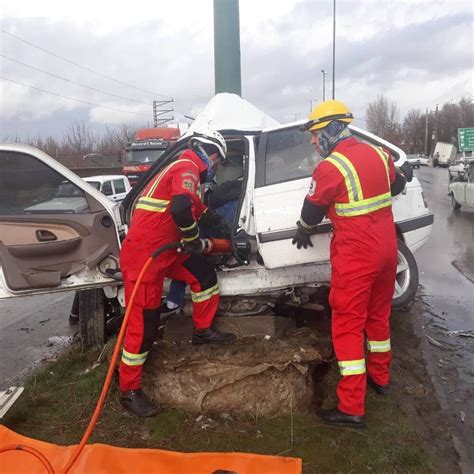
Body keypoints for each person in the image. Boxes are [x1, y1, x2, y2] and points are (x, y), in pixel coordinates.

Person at [293, 99, 410, 427]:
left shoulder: (331, 167)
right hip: (387, 251)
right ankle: (380, 379)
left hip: (356, 258)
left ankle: (352, 407)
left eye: (315, 134)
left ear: (331, 128)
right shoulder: (376, 152)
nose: (314, 141)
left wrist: (304, 229)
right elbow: (398, 184)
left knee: (346, 325)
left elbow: (312, 211)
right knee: (378, 318)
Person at [118, 127, 236, 417]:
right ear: (210, 154)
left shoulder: (185, 172)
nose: (216, 169)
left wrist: (218, 223)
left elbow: (194, 206)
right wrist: (195, 238)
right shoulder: (187, 166)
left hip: (166, 252)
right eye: (218, 162)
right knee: (143, 327)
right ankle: (128, 391)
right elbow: (182, 209)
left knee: (204, 277)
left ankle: (203, 331)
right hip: (145, 257)